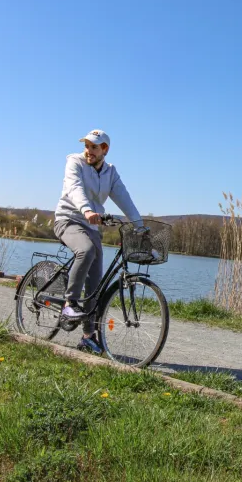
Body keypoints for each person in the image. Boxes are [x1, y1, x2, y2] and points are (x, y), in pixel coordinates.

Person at [53, 129, 141, 352]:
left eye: (94, 147)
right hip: (69, 219)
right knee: (86, 250)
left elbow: (124, 198)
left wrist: (140, 225)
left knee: (95, 283)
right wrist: (86, 210)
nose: (88, 151)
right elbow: (74, 188)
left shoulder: (110, 173)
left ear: (105, 150)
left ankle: (87, 336)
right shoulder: (75, 162)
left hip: (91, 225)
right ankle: (69, 304)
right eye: (87, 146)